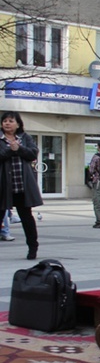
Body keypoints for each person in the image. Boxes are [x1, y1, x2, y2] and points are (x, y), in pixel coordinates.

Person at [0, 111, 43, 260]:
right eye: (5, 121)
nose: (7, 123)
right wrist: (10, 150)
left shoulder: (25, 138)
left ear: (18, 123)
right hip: (3, 186)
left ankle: (33, 247)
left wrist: (19, 149)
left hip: (21, 185)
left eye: (11, 121)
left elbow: (32, 154)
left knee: (27, 218)